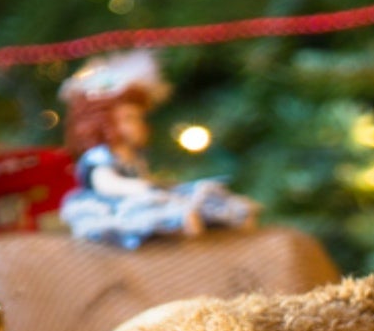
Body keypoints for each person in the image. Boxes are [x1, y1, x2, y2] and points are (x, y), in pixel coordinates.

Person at [56, 51, 256, 249]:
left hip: (140, 195)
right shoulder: (100, 156)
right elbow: (105, 182)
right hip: (113, 205)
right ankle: (176, 224)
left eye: (138, 118)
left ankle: (225, 215)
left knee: (189, 193)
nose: (137, 125)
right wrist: (140, 188)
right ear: (100, 123)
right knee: (150, 209)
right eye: (128, 119)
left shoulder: (132, 155)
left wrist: (154, 185)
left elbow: (144, 178)